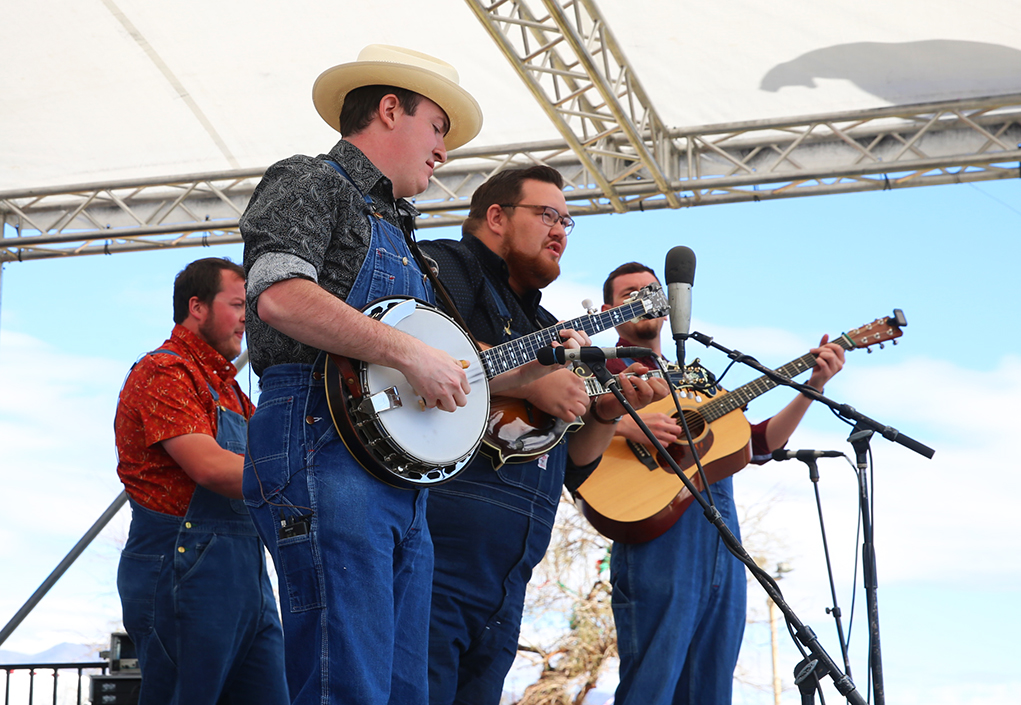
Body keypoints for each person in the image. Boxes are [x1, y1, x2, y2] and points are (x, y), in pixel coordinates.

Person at [239, 45, 550, 705]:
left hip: (399, 481)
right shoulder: (310, 180)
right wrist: (409, 353)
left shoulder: (407, 240)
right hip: (319, 443)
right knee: (345, 683)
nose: (444, 150)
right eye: (438, 127)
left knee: (404, 691)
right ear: (388, 109)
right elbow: (278, 293)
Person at [419, 166, 667, 705]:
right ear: (496, 217)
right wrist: (533, 380)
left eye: (567, 221)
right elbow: (423, 357)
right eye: (547, 215)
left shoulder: (550, 324)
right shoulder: (445, 268)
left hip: (509, 578)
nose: (560, 230)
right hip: (435, 554)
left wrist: (601, 413)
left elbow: (573, 466)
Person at [596, 262, 846, 705]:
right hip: (656, 538)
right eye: (628, 293)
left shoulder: (696, 379)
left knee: (711, 690)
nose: (641, 298)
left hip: (723, 545)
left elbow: (758, 443)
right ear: (606, 310)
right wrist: (622, 425)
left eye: (651, 291)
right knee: (651, 687)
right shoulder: (597, 369)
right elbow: (559, 424)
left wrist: (814, 386)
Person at [114, 257, 287, 705]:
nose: (248, 318)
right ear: (197, 307)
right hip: (182, 571)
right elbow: (211, 468)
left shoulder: (232, 391)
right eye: (237, 305)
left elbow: (272, 459)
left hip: (247, 576)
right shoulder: (165, 372)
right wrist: (300, 473)